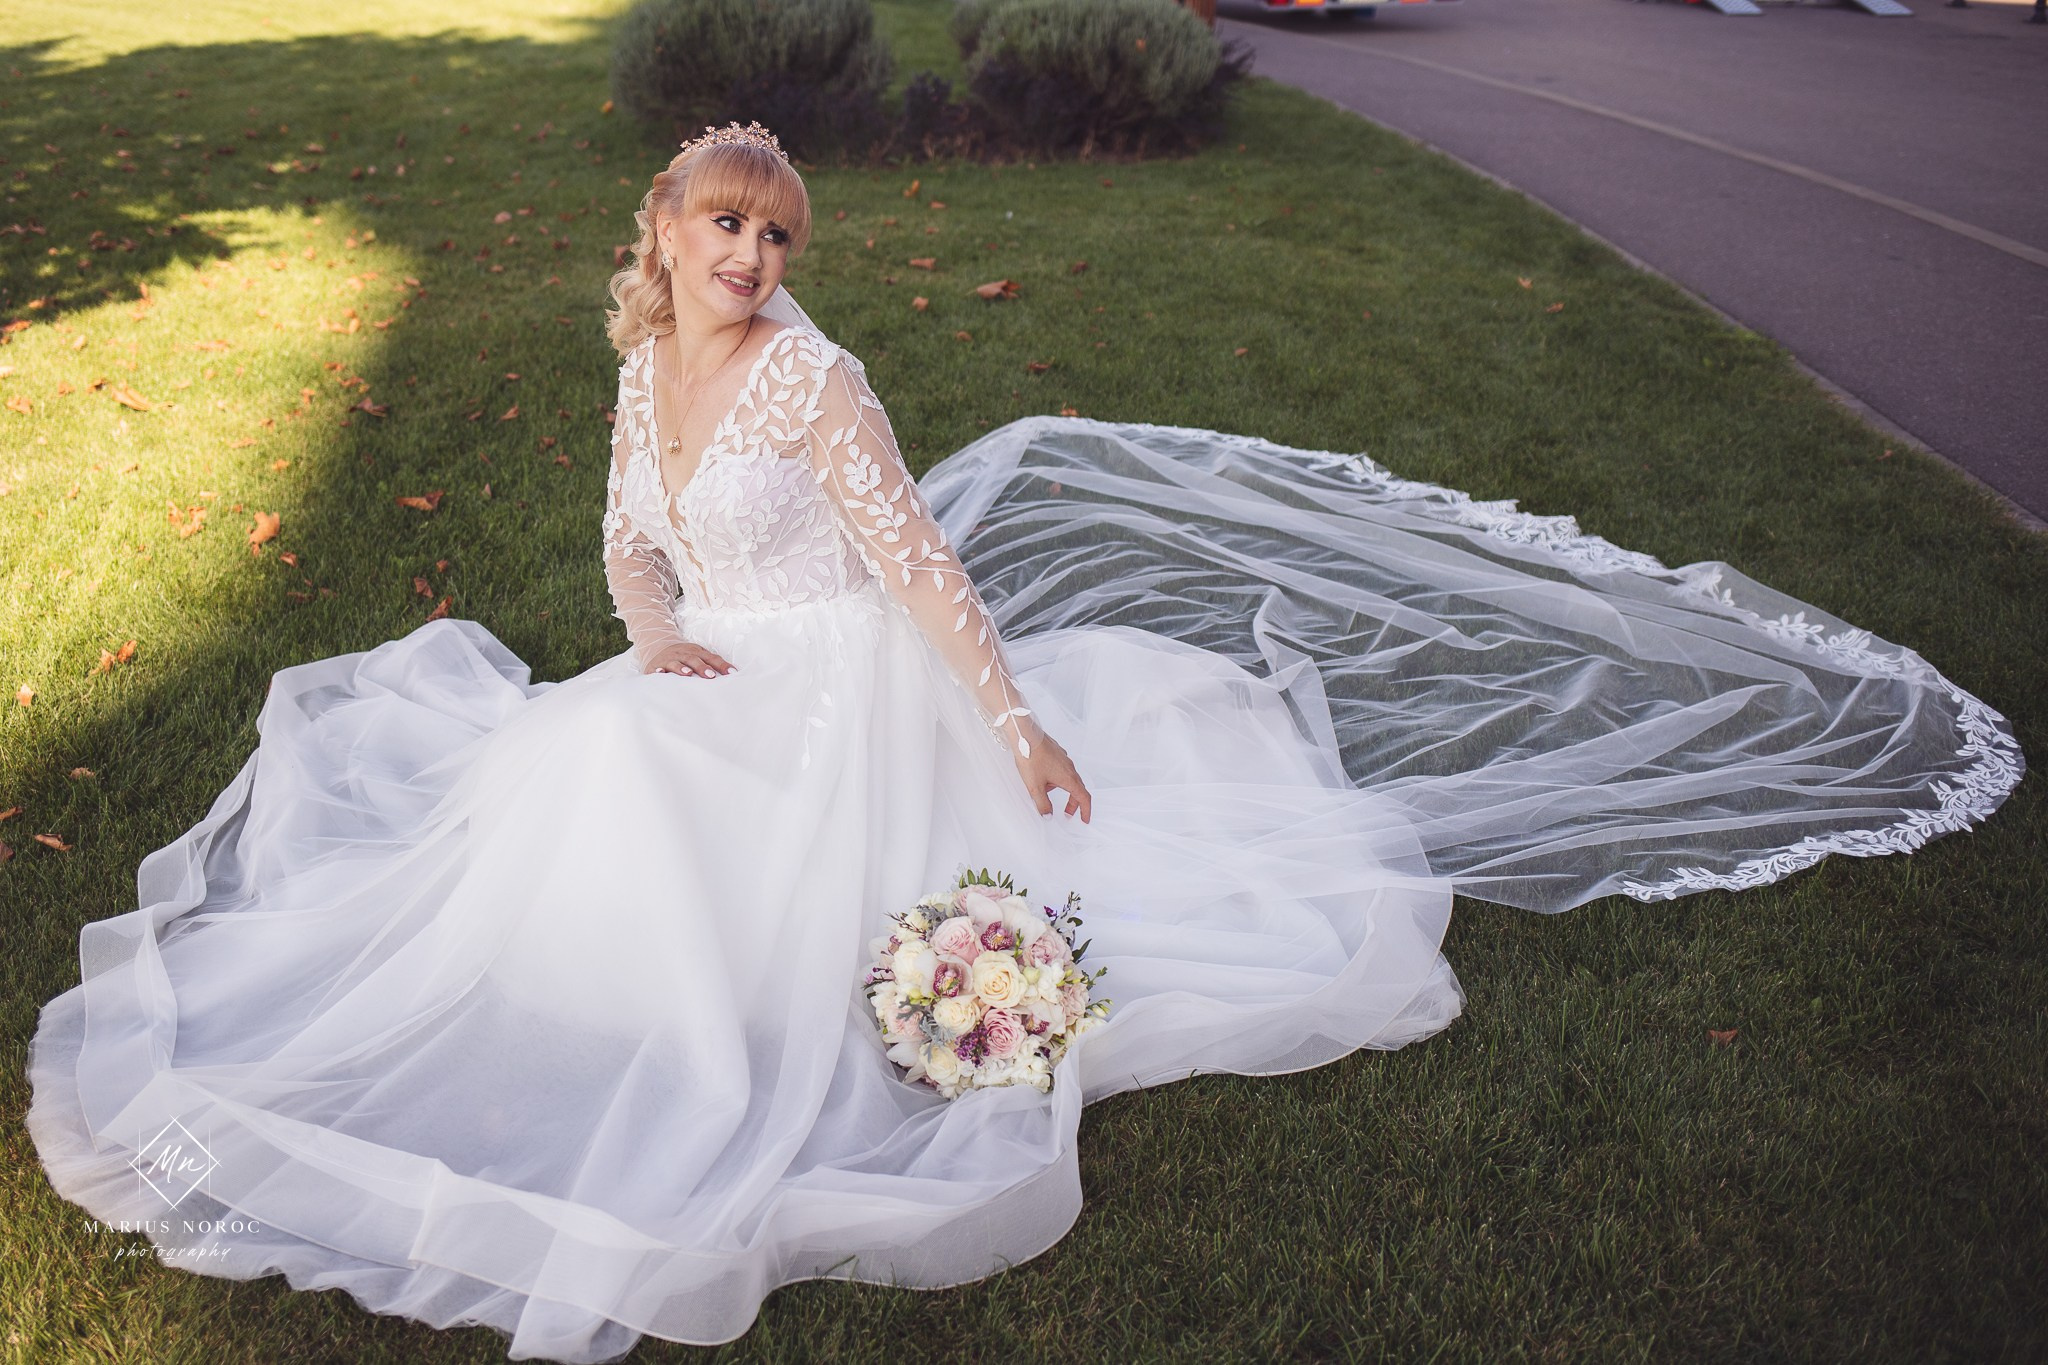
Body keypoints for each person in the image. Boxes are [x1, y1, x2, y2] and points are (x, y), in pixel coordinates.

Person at [24, 122, 2021, 1364]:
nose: (750, 262)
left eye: (777, 239)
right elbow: (629, 535)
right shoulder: (647, 361)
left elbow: (916, 572)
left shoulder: (821, 385)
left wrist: (1014, 721)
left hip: (851, 685)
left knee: (729, 866)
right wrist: (646, 635)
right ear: (668, 231)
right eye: (726, 228)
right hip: (710, 665)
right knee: (590, 768)